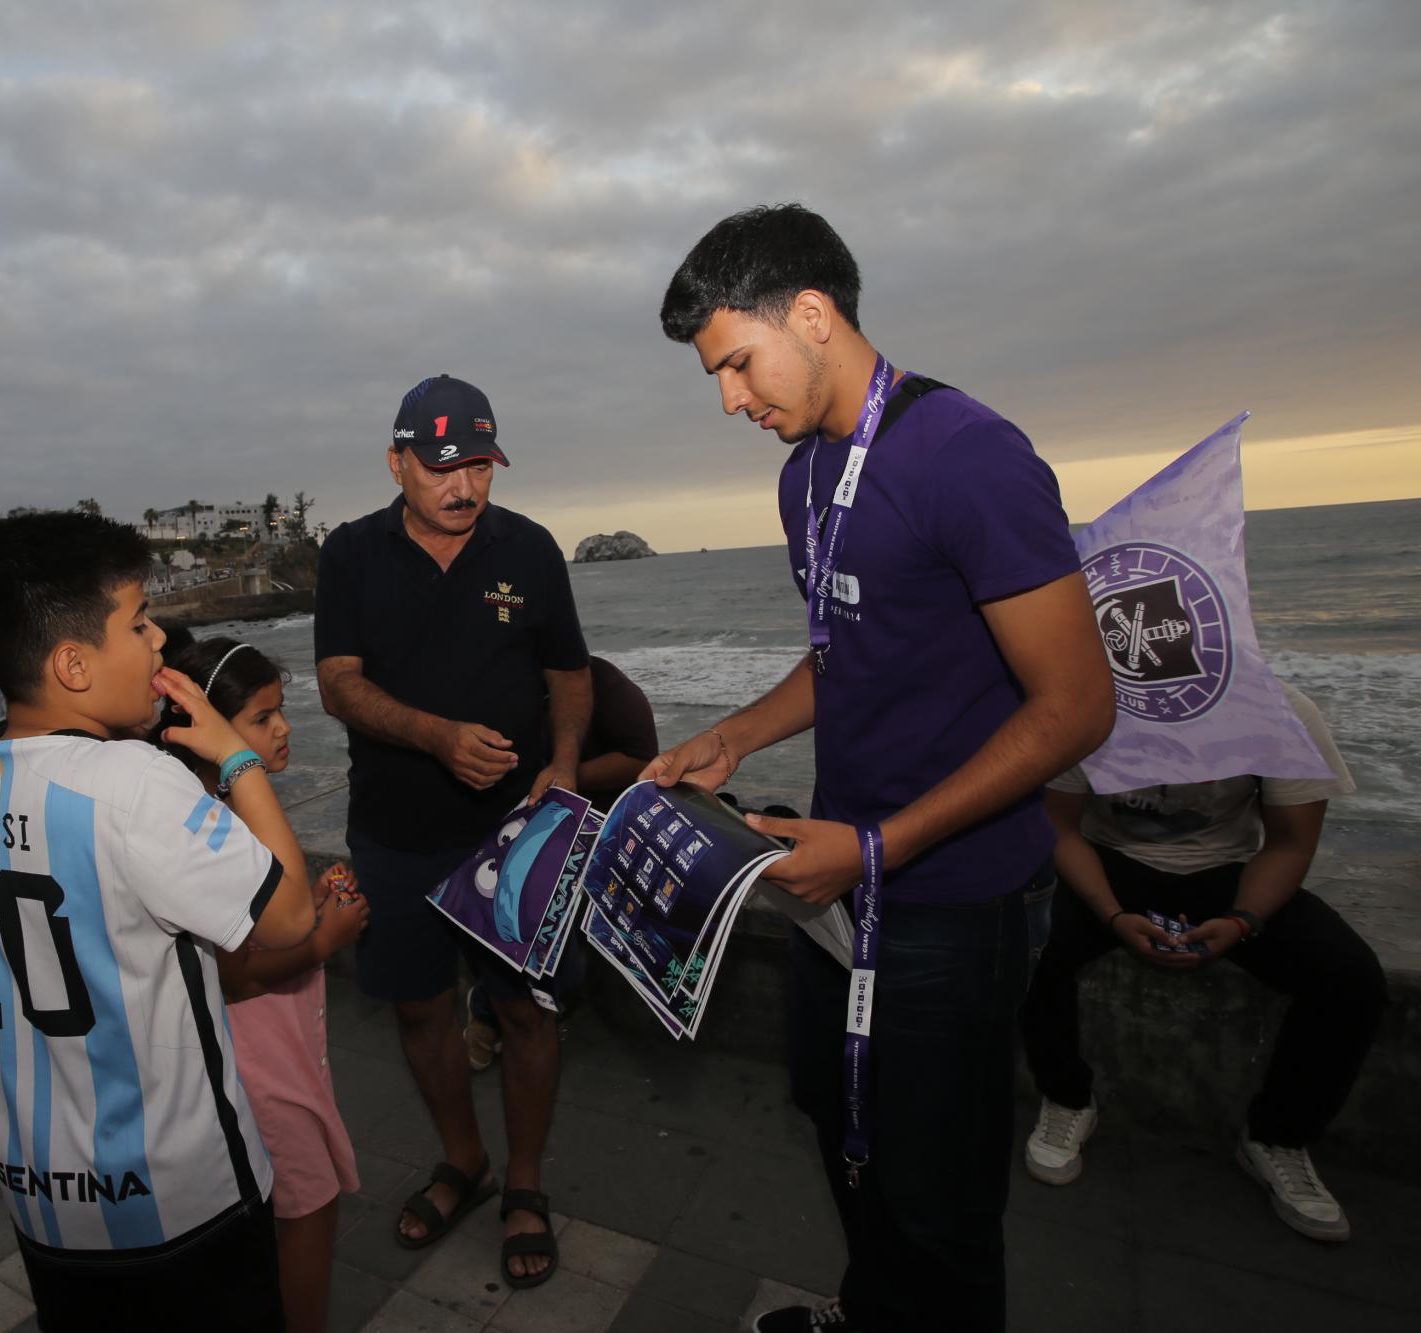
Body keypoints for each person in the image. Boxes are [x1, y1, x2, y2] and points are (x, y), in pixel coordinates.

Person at [651, 205, 1115, 1333]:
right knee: (838, 1120)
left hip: (949, 899)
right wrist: (737, 738)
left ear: (810, 316)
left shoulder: (967, 457)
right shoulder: (804, 474)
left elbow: (1078, 706)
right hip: (837, 879)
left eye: (736, 364)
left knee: (939, 1191)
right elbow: (840, 654)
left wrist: (880, 846)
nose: (729, 399)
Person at [0, 512, 316, 1333]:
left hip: (43, 1194)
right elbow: (289, 917)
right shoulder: (133, 782)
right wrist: (234, 756)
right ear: (73, 663)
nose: (157, 642)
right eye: (138, 620)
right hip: (181, 1198)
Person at [315, 374, 591, 1289]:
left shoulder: (533, 549)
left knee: (525, 1010)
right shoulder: (351, 553)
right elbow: (338, 683)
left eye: (478, 464)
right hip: (395, 831)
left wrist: (562, 763)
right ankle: (463, 1158)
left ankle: (524, 1184)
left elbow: (570, 671)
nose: (463, 486)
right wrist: (436, 736)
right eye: (441, 467)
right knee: (422, 1007)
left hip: (515, 836)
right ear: (397, 462)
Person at [1019, 681, 1384, 1241]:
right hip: (1110, 862)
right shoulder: (1092, 698)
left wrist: (1243, 921)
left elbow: (1288, 844)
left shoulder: (1277, 709)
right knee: (1029, 941)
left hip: (1226, 871)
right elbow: (1060, 826)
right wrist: (1113, 915)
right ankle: (1066, 1096)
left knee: (1350, 979)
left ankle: (1277, 1136)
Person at [158, 637, 367, 1333]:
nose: (283, 729)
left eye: (281, 712)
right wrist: (324, 939)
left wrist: (307, 897)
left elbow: (253, 924)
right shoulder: (218, 824)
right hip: (258, 1057)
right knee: (308, 1204)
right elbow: (238, 974)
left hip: (268, 1049)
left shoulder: (207, 809)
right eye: (261, 717)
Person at [464, 654, 659, 1070]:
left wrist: (563, 779)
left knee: (567, 965)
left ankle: (523, 1011)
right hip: (518, 833)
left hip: (594, 832)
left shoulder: (600, 681)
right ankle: (486, 1011)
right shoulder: (492, 687)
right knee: (516, 941)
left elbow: (641, 756)